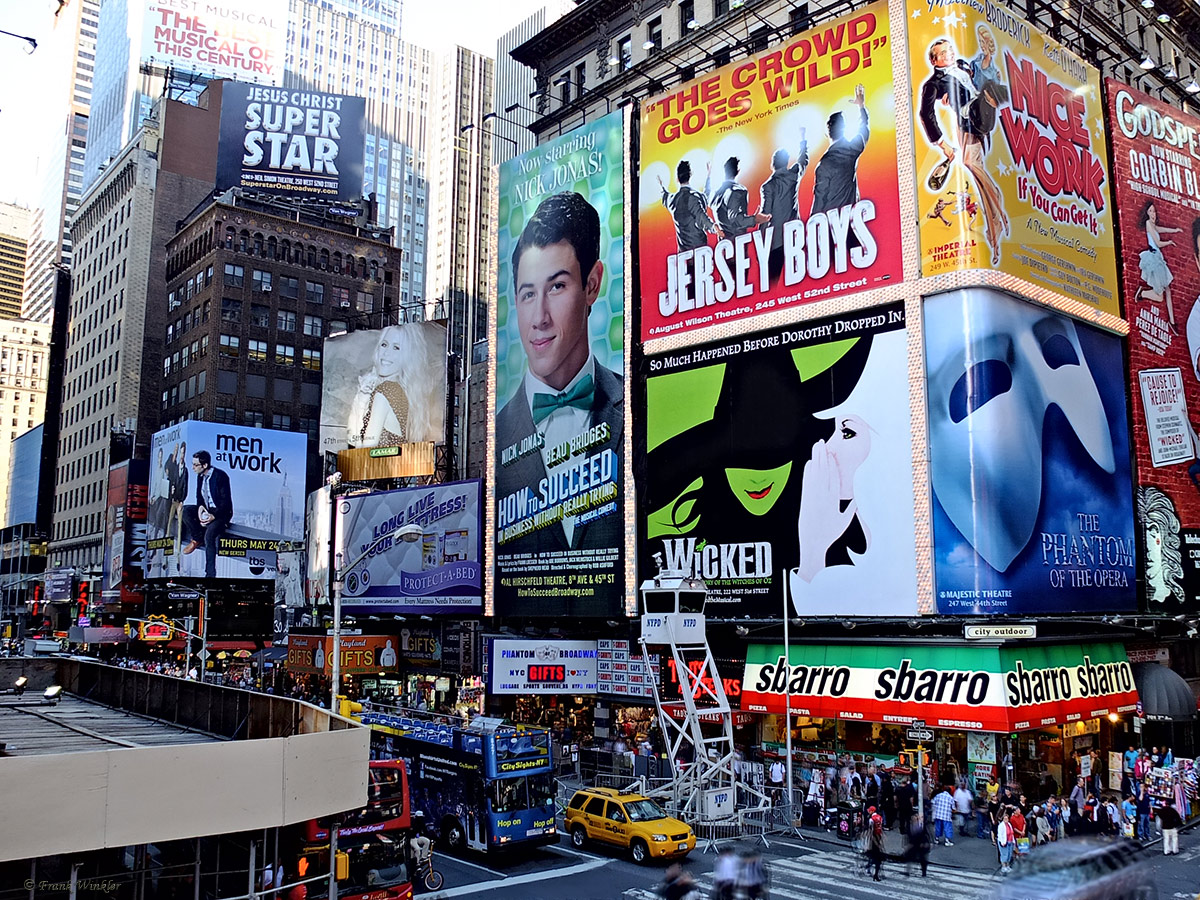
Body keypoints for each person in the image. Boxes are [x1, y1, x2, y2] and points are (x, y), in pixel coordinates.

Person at [494, 191, 624, 556]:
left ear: (592, 285)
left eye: (557, 287)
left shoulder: (636, 411)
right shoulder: (498, 436)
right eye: (528, 294)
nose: (539, 319)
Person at [917, 35, 1009, 264]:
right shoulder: (933, 84)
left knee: (973, 166)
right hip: (967, 123)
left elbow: (978, 80)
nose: (950, 54)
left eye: (950, 50)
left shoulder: (963, 66)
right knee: (971, 164)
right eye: (943, 53)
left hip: (983, 115)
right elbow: (925, 114)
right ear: (934, 61)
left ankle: (996, 217)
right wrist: (943, 144)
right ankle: (995, 226)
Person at [346, 325, 435, 447]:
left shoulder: (385, 391)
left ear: (408, 356)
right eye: (384, 345)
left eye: (396, 348)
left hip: (378, 464)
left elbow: (366, 448)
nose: (387, 353)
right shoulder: (401, 394)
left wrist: (359, 404)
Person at [810, 84, 870, 221]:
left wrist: (812, 229)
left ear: (827, 133)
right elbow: (864, 129)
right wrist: (861, 106)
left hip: (831, 227)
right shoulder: (852, 150)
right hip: (851, 220)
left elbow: (819, 201)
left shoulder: (824, 164)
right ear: (843, 129)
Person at [759, 134, 809, 281]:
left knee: (772, 283)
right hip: (795, 239)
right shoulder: (794, 175)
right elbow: (803, 160)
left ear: (772, 163)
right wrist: (802, 140)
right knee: (799, 282)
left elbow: (765, 216)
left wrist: (761, 245)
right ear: (787, 162)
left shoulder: (768, 186)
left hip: (776, 241)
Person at [181, 450, 232, 579]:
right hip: (207, 510)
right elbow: (199, 498)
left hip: (221, 514)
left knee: (209, 536)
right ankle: (197, 538)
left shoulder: (220, 476)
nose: (192, 468)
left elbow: (225, 504)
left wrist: (213, 516)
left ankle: (210, 574)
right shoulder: (200, 476)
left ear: (205, 465)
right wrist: (200, 510)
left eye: (195, 465)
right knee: (185, 510)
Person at [1137, 203, 1183, 333]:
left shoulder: (1153, 226)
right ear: (1147, 213)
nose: (1153, 214)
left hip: (1158, 259)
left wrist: (1175, 230)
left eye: (1154, 211)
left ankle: (1172, 322)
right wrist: (1169, 242)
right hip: (1154, 259)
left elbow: (1162, 229)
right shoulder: (1147, 223)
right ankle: (1142, 293)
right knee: (1161, 295)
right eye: (1151, 211)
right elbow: (1157, 243)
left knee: (1167, 290)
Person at [709, 156, 771, 240]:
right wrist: (755, 219)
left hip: (722, 245)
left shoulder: (715, 193)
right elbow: (736, 220)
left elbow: (706, 193)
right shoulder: (738, 191)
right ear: (738, 171)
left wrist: (708, 176)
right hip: (736, 244)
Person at [659, 160, 714, 252]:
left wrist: (661, 185)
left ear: (677, 178)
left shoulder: (672, 200)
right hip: (700, 252)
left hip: (683, 256)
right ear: (690, 174)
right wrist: (709, 176)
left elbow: (664, 195)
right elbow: (706, 197)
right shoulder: (697, 197)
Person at [904, 812, 931, 877]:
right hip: (913, 845)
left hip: (921, 845)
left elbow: (926, 835)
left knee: (923, 860)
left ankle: (924, 872)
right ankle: (907, 871)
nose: (914, 819)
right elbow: (907, 835)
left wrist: (926, 843)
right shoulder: (909, 826)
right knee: (909, 858)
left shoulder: (921, 826)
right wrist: (907, 844)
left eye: (916, 818)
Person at [996, 808, 1015, 874]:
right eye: (1005, 819)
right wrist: (1002, 842)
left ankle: (1008, 866)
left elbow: (1012, 833)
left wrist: (1013, 841)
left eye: (1007, 819)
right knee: (1004, 855)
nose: (1006, 820)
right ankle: (1003, 867)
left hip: (1010, 841)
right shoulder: (1001, 825)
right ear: (1003, 819)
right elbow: (1000, 835)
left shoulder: (1009, 824)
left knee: (1009, 855)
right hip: (1004, 842)